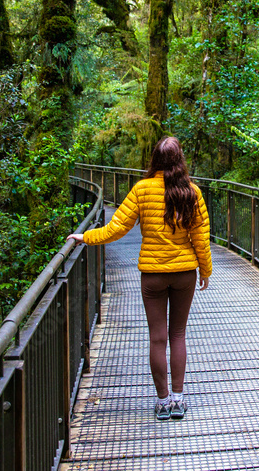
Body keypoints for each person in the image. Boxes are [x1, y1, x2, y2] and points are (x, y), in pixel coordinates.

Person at [68, 137, 212, 421]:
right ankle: (179, 400)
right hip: (184, 274)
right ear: (180, 159)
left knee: (157, 338)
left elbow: (116, 228)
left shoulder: (142, 190)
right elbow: (201, 239)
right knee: (178, 334)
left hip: (153, 277)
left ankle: (162, 402)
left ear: (154, 160)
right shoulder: (192, 192)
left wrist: (85, 237)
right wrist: (205, 271)